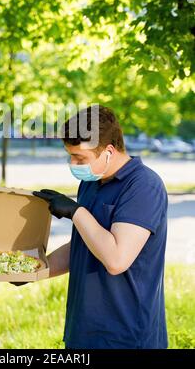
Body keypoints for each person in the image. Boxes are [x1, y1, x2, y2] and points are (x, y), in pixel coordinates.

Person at [13, 105, 168, 349]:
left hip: (126, 336)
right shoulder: (91, 183)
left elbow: (116, 259)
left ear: (108, 150)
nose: (73, 163)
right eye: (70, 155)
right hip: (85, 332)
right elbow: (83, 247)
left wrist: (76, 212)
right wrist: (34, 271)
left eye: (80, 158)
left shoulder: (143, 186)